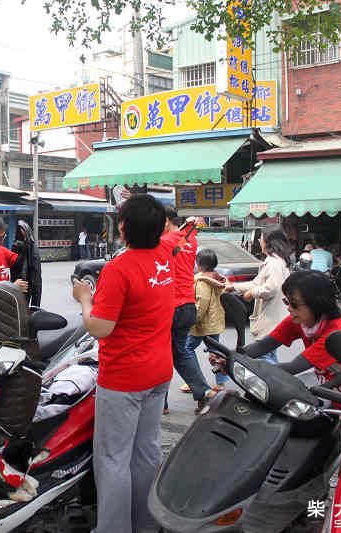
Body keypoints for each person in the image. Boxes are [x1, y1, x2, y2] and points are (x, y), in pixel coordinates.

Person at [71, 194, 175, 533]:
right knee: (146, 452)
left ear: (123, 227)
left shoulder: (119, 269)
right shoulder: (165, 257)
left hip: (124, 378)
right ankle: (146, 525)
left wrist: (84, 298)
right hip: (159, 371)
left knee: (114, 458)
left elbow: (99, 327)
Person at [214, 270, 341, 459]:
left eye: (294, 304)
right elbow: (263, 345)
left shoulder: (334, 333)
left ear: (317, 304)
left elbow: (292, 368)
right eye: (286, 302)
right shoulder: (301, 321)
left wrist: (241, 367)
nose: (289, 308)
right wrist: (232, 357)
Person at [161, 206, 212, 413]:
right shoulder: (190, 240)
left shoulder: (165, 241)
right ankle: (204, 393)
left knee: (161, 354)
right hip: (188, 305)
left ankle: (160, 403)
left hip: (170, 307)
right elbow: (180, 243)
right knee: (180, 353)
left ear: (165, 221)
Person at [228, 226, 291, 365]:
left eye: (261, 238)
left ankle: (274, 379)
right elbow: (256, 283)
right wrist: (233, 287)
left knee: (265, 358)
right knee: (268, 355)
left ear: (268, 242)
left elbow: (271, 288)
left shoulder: (274, 263)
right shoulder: (274, 261)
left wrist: (252, 293)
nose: (259, 241)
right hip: (271, 319)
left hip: (271, 319)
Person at [186, 249, 228, 390]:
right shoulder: (217, 278)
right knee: (216, 352)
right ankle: (220, 383)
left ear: (198, 264)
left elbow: (201, 304)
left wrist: (192, 319)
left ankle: (196, 381)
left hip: (202, 324)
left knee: (187, 349)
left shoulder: (201, 281)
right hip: (214, 322)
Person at [11, 220, 43, 307]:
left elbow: (36, 274)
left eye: (24, 232)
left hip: (27, 283)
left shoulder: (32, 248)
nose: (22, 234)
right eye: (20, 232)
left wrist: (35, 304)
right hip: (17, 282)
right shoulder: (16, 246)